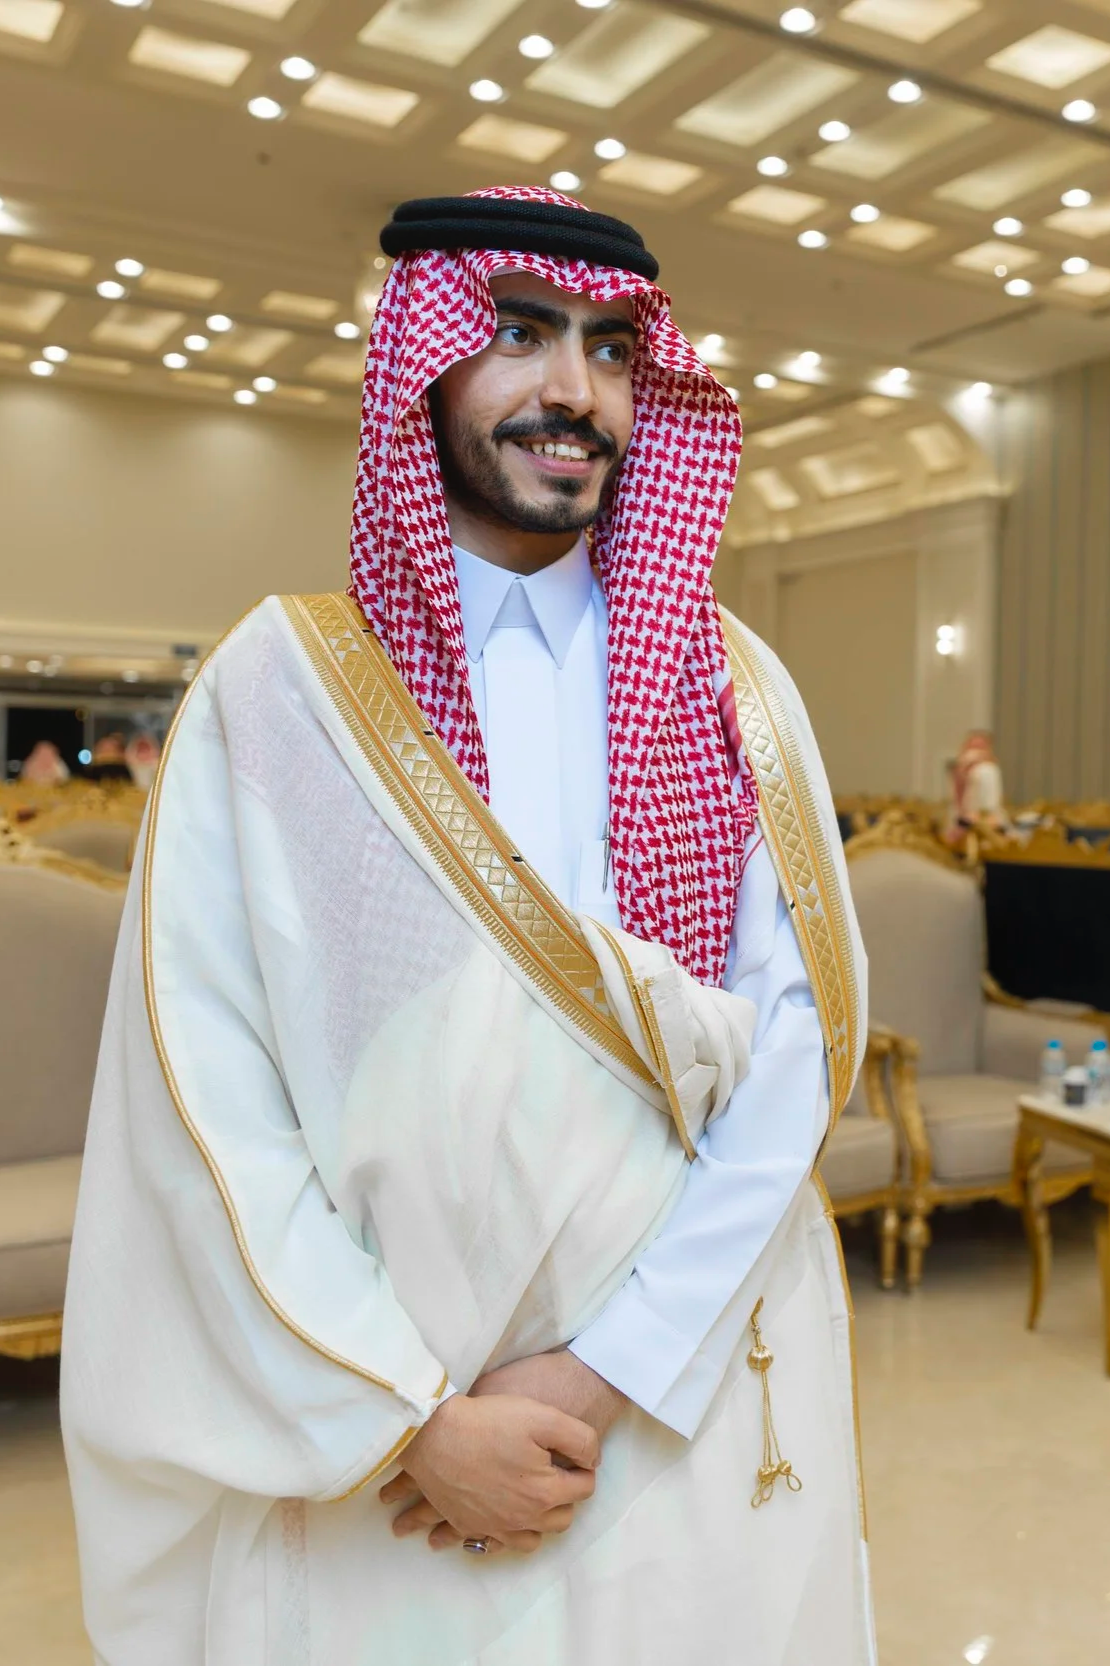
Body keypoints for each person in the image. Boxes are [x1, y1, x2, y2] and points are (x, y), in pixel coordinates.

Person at [62, 187, 872, 1666]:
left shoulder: (737, 689)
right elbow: (210, 1098)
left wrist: (609, 1370)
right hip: (393, 1448)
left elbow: (797, 1049)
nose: (572, 389)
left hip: (679, 1395)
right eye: (517, 333)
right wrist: (407, 1417)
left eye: (612, 349)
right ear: (422, 361)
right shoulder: (281, 689)